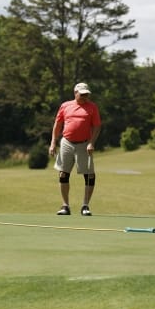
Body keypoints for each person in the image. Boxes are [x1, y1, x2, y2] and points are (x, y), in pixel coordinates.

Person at [48, 83, 102, 216]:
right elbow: (58, 124)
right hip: (67, 142)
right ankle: (65, 206)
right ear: (75, 93)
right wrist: (53, 143)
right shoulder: (65, 106)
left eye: (87, 94)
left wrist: (91, 143)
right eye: (82, 94)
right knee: (63, 174)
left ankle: (85, 206)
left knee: (89, 175)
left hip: (84, 144)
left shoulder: (92, 107)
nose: (85, 97)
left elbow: (97, 126)